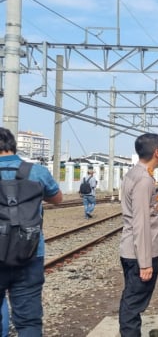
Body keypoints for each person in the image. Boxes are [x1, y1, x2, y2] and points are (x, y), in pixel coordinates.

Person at [0, 127, 63, 335]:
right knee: (28, 322)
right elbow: (57, 198)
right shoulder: (37, 172)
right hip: (29, 252)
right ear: (13, 146)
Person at [118, 133, 158, 336]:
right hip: (140, 253)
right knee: (133, 304)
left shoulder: (135, 173)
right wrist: (145, 262)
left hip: (132, 249)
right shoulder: (144, 180)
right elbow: (141, 222)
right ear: (157, 152)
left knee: (132, 300)